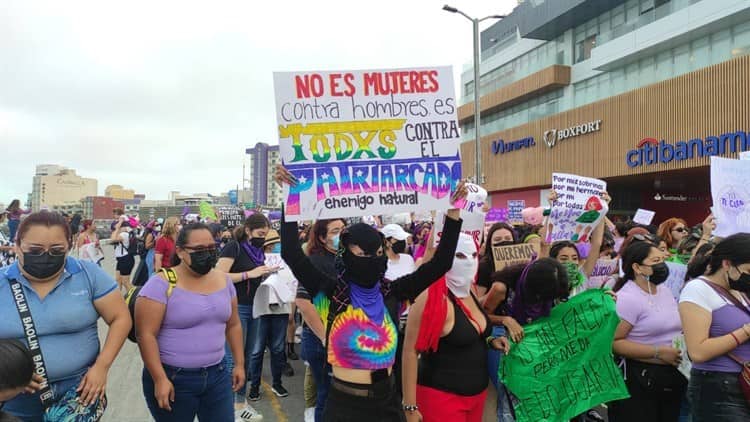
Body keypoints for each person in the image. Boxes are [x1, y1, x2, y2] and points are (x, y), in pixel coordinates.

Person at [277, 165, 467, 422]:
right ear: (346, 256)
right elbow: (290, 251)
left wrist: (453, 212)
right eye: (363, 254)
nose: (372, 260)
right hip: (344, 407)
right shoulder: (330, 292)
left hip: (388, 402)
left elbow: (442, 263)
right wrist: (290, 197)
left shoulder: (394, 292)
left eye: (377, 254)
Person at [0, 211, 131, 421]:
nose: (45, 256)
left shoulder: (88, 274)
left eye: (56, 250)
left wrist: (102, 366)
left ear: (69, 247)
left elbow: (120, 318)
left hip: (79, 390)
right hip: (15, 394)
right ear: (17, 246)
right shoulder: (2, 282)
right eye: (35, 250)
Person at [136, 222, 245, 422]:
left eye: (213, 248)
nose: (208, 253)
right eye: (199, 249)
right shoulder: (160, 284)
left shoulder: (224, 280)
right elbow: (146, 335)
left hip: (218, 376)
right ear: (180, 251)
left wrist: (239, 364)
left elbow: (234, 324)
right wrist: (160, 379)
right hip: (174, 378)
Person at [402, 233, 509, 422]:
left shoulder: (470, 290)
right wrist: (410, 406)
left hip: (476, 396)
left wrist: (491, 341)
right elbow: (410, 351)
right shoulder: (431, 297)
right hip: (441, 398)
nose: (469, 262)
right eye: (460, 256)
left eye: (474, 255)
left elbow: (470, 331)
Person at [607, 241, 686, 421]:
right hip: (640, 380)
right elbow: (614, 342)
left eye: (662, 259)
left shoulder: (663, 291)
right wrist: (657, 352)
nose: (662, 265)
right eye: (655, 261)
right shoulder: (628, 298)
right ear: (637, 267)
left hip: (669, 378)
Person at [679, 233, 750, 420]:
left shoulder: (739, 291)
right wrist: (745, 332)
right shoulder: (698, 290)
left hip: (742, 383)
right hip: (718, 386)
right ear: (727, 264)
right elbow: (698, 351)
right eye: (749, 270)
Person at [216, 213, 277, 420]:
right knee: (234, 357)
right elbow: (218, 275)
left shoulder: (258, 250)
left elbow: (255, 273)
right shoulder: (234, 247)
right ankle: (229, 405)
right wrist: (248, 274)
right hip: (237, 307)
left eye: (265, 234)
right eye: (260, 233)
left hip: (255, 306)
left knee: (248, 356)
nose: (263, 237)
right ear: (248, 230)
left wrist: (265, 274)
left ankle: (240, 402)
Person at [295, 218, 346, 422]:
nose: (341, 234)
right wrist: (326, 337)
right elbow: (303, 301)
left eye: (343, 229)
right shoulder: (315, 262)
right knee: (327, 394)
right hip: (322, 340)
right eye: (335, 231)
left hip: (341, 337)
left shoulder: (343, 259)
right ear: (323, 238)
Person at [247, 229, 291, 402]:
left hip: (281, 308)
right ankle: (255, 386)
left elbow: (291, 282)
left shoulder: (287, 260)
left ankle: (277, 383)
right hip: (262, 308)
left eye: (276, 244)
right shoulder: (255, 261)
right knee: (257, 350)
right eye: (272, 244)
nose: (275, 247)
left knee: (278, 348)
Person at [476, 222, 517, 297]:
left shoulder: (521, 263)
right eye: (498, 239)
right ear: (490, 244)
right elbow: (478, 300)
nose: (503, 242)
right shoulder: (484, 266)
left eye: (508, 238)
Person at [110, 219, 135, 292]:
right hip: (121, 259)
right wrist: (117, 229)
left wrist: (117, 228)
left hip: (126, 259)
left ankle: (133, 296)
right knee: (118, 279)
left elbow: (113, 239)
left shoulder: (124, 234)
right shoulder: (124, 234)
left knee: (125, 282)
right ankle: (119, 296)